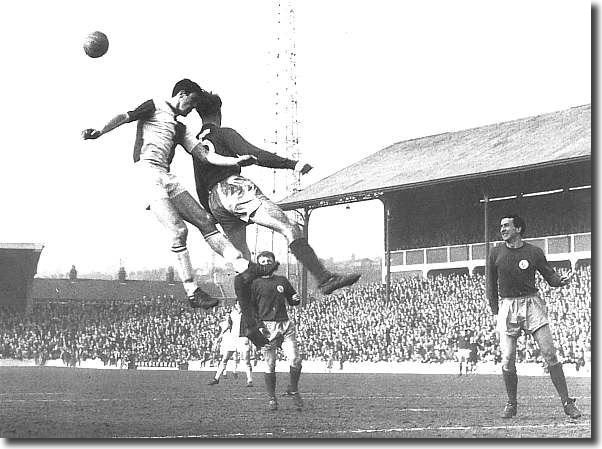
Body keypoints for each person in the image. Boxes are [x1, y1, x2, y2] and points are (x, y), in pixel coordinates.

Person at [81, 79, 259, 309]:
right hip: (146, 173)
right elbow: (125, 116)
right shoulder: (155, 106)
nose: (192, 109)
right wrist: (100, 131)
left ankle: (244, 266)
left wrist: (235, 161)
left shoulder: (179, 127)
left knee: (205, 220)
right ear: (182, 94)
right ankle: (192, 290)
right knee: (179, 230)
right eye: (192, 102)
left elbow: (204, 155)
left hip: (166, 176)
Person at [186, 89, 361, 296]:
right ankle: (324, 279)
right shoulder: (224, 133)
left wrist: (209, 212)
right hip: (234, 189)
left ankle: (247, 312)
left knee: (242, 260)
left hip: (214, 200)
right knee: (290, 228)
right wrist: (292, 164)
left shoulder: (196, 144)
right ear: (218, 113)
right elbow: (256, 155)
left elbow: (199, 184)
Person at [487, 214, 581, 419]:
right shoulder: (495, 253)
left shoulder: (534, 252)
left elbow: (549, 275)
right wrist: (496, 311)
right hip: (508, 305)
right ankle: (511, 403)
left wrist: (560, 280)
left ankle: (567, 402)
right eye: (501, 226)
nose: (502, 229)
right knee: (508, 357)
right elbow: (490, 284)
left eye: (507, 226)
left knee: (549, 353)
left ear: (518, 229)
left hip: (532, 304)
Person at [245, 251, 304, 411]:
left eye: (268, 261)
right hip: (266, 328)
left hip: (285, 326)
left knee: (295, 360)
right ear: (258, 265)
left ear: (273, 263)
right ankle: (272, 398)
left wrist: (295, 299)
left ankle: (293, 389)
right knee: (270, 364)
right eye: (262, 261)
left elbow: (292, 299)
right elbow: (250, 309)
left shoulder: (282, 280)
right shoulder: (254, 283)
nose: (265, 264)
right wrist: (259, 327)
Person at [208, 302, 254, 387]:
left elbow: (251, 326)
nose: (239, 305)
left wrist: (250, 339)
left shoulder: (247, 314)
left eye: (241, 304)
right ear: (235, 305)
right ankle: (216, 378)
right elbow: (228, 326)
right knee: (225, 359)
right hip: (233, 339)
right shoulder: (232, 314)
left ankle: (249, 380)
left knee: (246, 360)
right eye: (238, 304)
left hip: (243, 338)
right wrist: (220, 336)